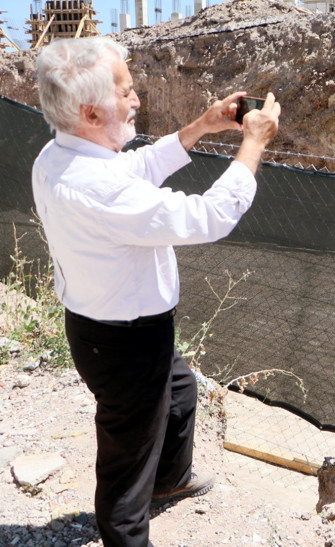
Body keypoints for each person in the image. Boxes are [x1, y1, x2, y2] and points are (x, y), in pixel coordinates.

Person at [31, 36, 281, 547]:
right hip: (126, 342)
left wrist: (201, 127)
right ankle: (130, 530)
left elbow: (130, 169)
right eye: (126, 92)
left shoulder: (59, 154)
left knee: (181, 393)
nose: (137, 100)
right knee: (127, 467)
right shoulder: (102, 188)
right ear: (91, 113)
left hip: (107, 329)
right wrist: (252, 144)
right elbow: (210, 217)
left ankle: (169, 481)